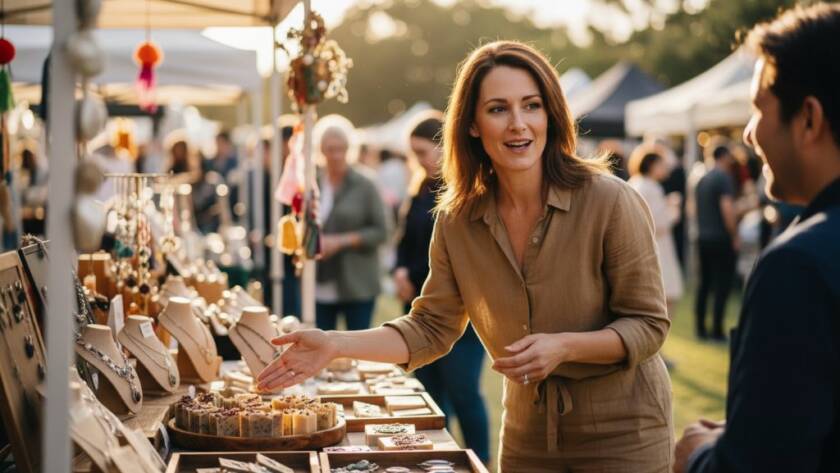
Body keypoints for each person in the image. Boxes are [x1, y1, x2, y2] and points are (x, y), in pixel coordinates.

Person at [258, 41, 673, 472]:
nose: (518, 124)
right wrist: (334, 344)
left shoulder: (610, 200)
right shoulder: (458, 220)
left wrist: (564, 347)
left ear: (550, 114)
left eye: (531, 106)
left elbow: (648, 324)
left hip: (625, 431)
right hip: (527, 433)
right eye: (498, 109)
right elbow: (431, 328)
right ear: (472, 124)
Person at [674, 4, 840, 472]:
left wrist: (699, 456)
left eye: (757, 109)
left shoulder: (799, 265)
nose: (749, 134)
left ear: (808, 118)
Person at [392, 111, 490, 462]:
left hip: (458, 311)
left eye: (423, 152)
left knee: (464, 391)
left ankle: (480, 459)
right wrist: (400, 271)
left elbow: (452, 256)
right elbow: (406, 241)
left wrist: (411, 274)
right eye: (414, 154)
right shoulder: (419, 189)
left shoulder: (464, 190)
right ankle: (442, 459)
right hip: (417, 304)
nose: (419, 160)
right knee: (429, 391)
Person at [314, 116, 388, 331]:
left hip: (358, 283)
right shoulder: (314, 183)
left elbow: (382, 231)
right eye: (330, 149)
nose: (336, 155)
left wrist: (341, 241)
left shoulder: (366, 184)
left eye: (341, 148)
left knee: (357, 347)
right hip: (321, 280)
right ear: (321, 150)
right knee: (319, 341)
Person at [628, 147, 684, 315]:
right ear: (652, 165)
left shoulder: (635, 183)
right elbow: (659, 223)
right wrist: (674, 209)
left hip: (640, 246)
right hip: (657, 247)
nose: (665, 169)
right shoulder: (652, 187)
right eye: (662, 165)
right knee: (666, 297)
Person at [693, 140, 738, 341]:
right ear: (724, 156)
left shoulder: (701, 177)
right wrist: (734, 234)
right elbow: (727, 208)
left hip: (703, 236)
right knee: (722, 285)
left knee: (704, 284)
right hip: (720, 237)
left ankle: (700, 328)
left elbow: (693, 208)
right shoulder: (723, 178)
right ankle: (717, 330)